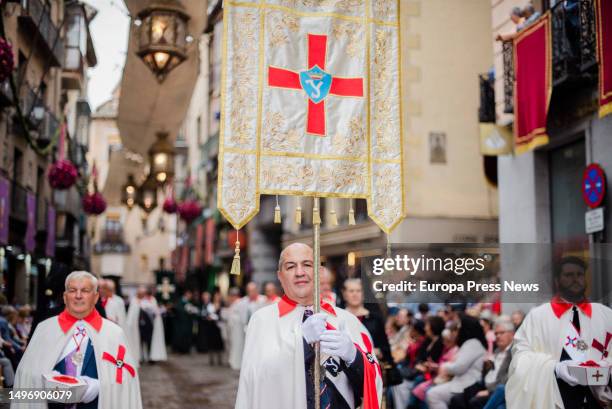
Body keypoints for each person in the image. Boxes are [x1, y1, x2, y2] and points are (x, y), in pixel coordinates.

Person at [235, 243, 382, 409]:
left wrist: (354, 357)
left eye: (307, 265)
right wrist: (301, 343)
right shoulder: (262, 320)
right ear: (280, 276)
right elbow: (255, 382)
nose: (299, 272)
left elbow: (373, 379)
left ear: (319, 272)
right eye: (290, 267)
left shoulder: (347, 320)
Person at [12, 271, 142, 409]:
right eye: (72, 290)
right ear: (65, 296)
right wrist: (47, 379)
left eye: (85, 290)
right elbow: (26, 375)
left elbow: (127, 380)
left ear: (96, 297)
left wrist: (98, 387)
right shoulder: (45, 329)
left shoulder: (114, 333)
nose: (78, 296)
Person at [506, 256, 612, 409]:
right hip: (557, 398)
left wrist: (606, 367)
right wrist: (555, 368)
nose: (575, 279)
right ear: (557, 280)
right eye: (569, 275)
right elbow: (520, 356)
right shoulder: (538, 316)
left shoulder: (606, 314)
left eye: (579, 274)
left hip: (597, 401)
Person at [426, 315, 487, 409]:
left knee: (433, 394)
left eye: (459, 328)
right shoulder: (470, 343)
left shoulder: (473, 343)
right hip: (462, 382)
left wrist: (444, 366)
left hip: (468, 385)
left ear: (466, 328)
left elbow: (459, 368)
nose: (457, 331)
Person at [126, 286, 167, 364]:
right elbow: (132, 314)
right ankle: (140, 357)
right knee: (139, 341)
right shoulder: (135, 300)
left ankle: (150, 357)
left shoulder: (152, 300)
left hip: (150, 325)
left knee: (149, 341)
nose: (143, 295)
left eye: (143, 293)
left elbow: (155, 311)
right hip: (138, 326)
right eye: (141, 293)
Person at [171, 289, 198, 354]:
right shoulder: (180, 301)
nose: (190, 296)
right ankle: (180, 349)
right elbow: (176, 310)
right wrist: (185, 310)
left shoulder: (190, 302)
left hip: (187, 323)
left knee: (187, 336)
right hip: (181, 323)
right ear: (186, 294)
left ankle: (186, 349)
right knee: (180, 336)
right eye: (189, 294)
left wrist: (192, 311)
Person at [225, 287, 245, 370]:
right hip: (233, 329)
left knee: (237, 345)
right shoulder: (233, 304)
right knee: (233, 345)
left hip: (238, 329)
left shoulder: (240, 303)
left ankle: (236, 363)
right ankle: (233, 361)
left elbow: (241, 316)